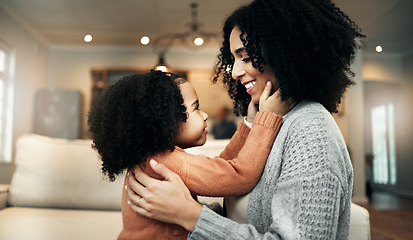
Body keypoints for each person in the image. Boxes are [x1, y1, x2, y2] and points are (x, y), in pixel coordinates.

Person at [126, 0, 366, 239]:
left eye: (245, 56)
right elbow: (242, 211)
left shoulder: (311, 132)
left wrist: (190, 215)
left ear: (283, 52)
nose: (234, 71)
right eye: (233, 59)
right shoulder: (277, 122)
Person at [87, 70, 294, 239]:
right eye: (196, 109)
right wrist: (267, 119)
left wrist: (249, 124)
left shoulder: (153, 158)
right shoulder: (165, 162)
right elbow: (239, 175)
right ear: (166, 121)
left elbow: (220, 167)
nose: (205, 115)